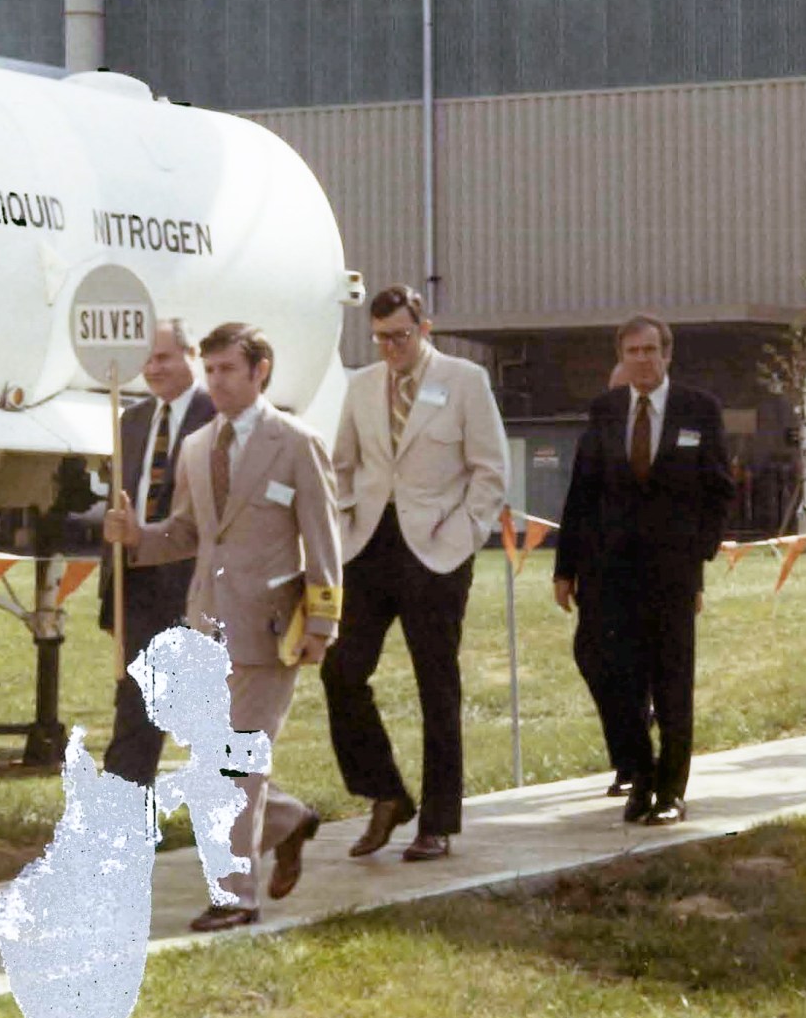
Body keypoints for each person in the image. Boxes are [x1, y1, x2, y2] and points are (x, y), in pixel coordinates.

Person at [104, 322, 343, 933]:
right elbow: (186, 533)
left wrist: (323, 620)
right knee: (220, 759)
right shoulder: (196, 447)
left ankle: (235, 897)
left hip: (269, 628)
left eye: (228, 370)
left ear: (261, 370)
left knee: (235, 763)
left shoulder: (295, 442)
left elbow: (322, 539)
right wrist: (138, 538)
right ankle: (288, 822)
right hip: (206, 624)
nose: (218, 381)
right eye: (210, 371)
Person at [325, 286, 509, 864]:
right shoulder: (359, 386)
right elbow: (342, 466)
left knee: (437, 685)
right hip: (370, 548)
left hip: (436, 552)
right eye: (381, 337)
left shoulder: (464, 380)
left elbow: (490, 472)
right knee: (340, 670)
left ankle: (437, 821)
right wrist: (346, 520)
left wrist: (459, 538)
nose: (391, 347)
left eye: (401, 336)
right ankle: (385, 792)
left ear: (424, 328)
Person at [553, 316, 733, 825]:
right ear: (621, 357)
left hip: (671, 572)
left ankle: (669, 792)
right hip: (608, 571)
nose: (642, 359)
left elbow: (720, 489)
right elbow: (582, 492)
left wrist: (697, 551)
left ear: (667, 354)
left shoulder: (699, 410)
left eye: (651, 350)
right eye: (632, 351)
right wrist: (565, 568)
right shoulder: (606, 410)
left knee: (671, 681)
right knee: (606, 668)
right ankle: (638, 768)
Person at [98, 319, 216, 786]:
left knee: (210, 724)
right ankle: (118, 833)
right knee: (134, 710)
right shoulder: (132, 421)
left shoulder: (216, 417)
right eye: (145, 360)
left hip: (196, 589)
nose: (153, 368)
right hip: (138, 585)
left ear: (191, 354)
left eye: (163, 357)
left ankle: (281, 818)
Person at [567, 358, 642, 798]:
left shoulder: (659, 440)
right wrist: (564, 571)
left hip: (646, 571)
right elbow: (577, 501)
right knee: (592, 656)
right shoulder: (595, 436)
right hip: (598, 570)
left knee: (636, 668)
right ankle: (627, 750)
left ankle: (635, 764)